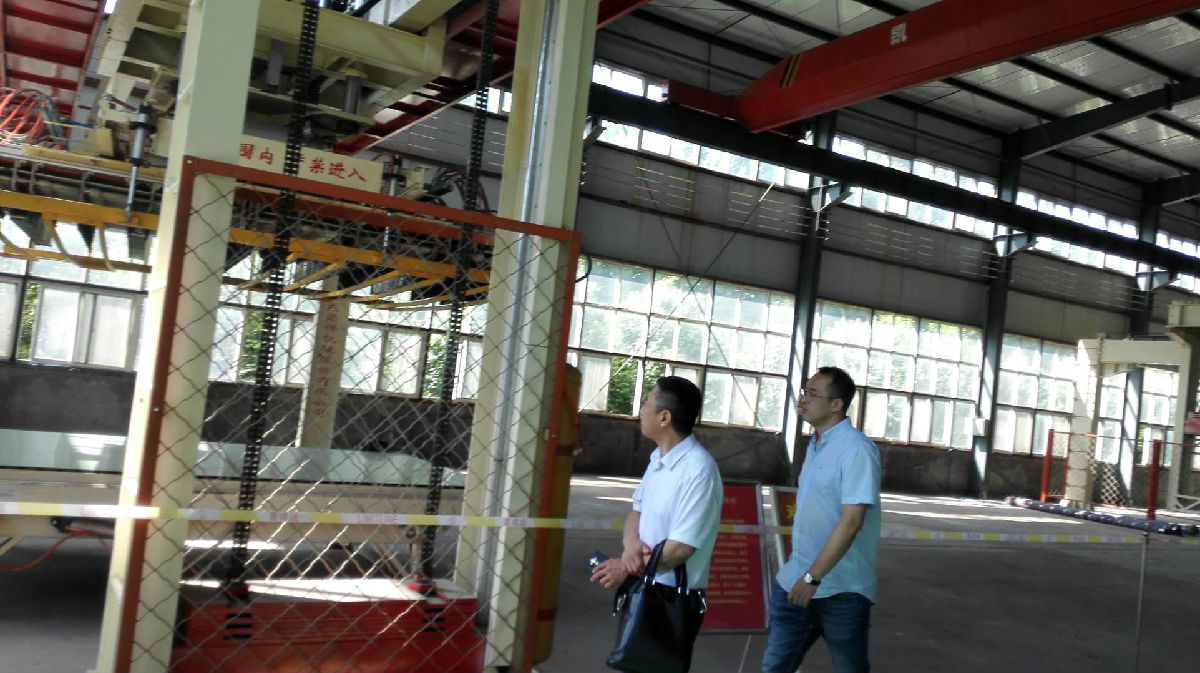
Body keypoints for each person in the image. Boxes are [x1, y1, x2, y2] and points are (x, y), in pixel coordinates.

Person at [762, 366, 881, 673]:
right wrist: (802, 577)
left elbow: (852, 522)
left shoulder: (856, 450)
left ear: (836, 404)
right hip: (795, 582)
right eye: (805, 392)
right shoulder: (815, 445)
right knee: (775, 666)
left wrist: (812, 578)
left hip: (842, 590)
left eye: (813, 394)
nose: (803, 399)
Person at [590, 376, 723, 596]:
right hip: (643, 584)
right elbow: (637, 511)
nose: (642, 411)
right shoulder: (657, 459)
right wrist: (631, 544)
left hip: (670, 597)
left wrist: (626, 568)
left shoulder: (699, 470)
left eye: (647, 403)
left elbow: (680, 548)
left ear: (664, 418)